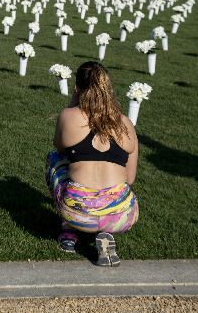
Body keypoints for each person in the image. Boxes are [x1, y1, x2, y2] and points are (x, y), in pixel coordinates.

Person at [46, 61, 139, 266]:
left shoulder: (68, 116)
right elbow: (130, 178)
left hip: (78, 213)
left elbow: (59, 148)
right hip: (123, 214)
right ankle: (106, 233)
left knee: (55, 159)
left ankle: (69, 231)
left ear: (77, 87)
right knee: (117, 188)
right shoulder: (125, 123)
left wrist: (73, 102)